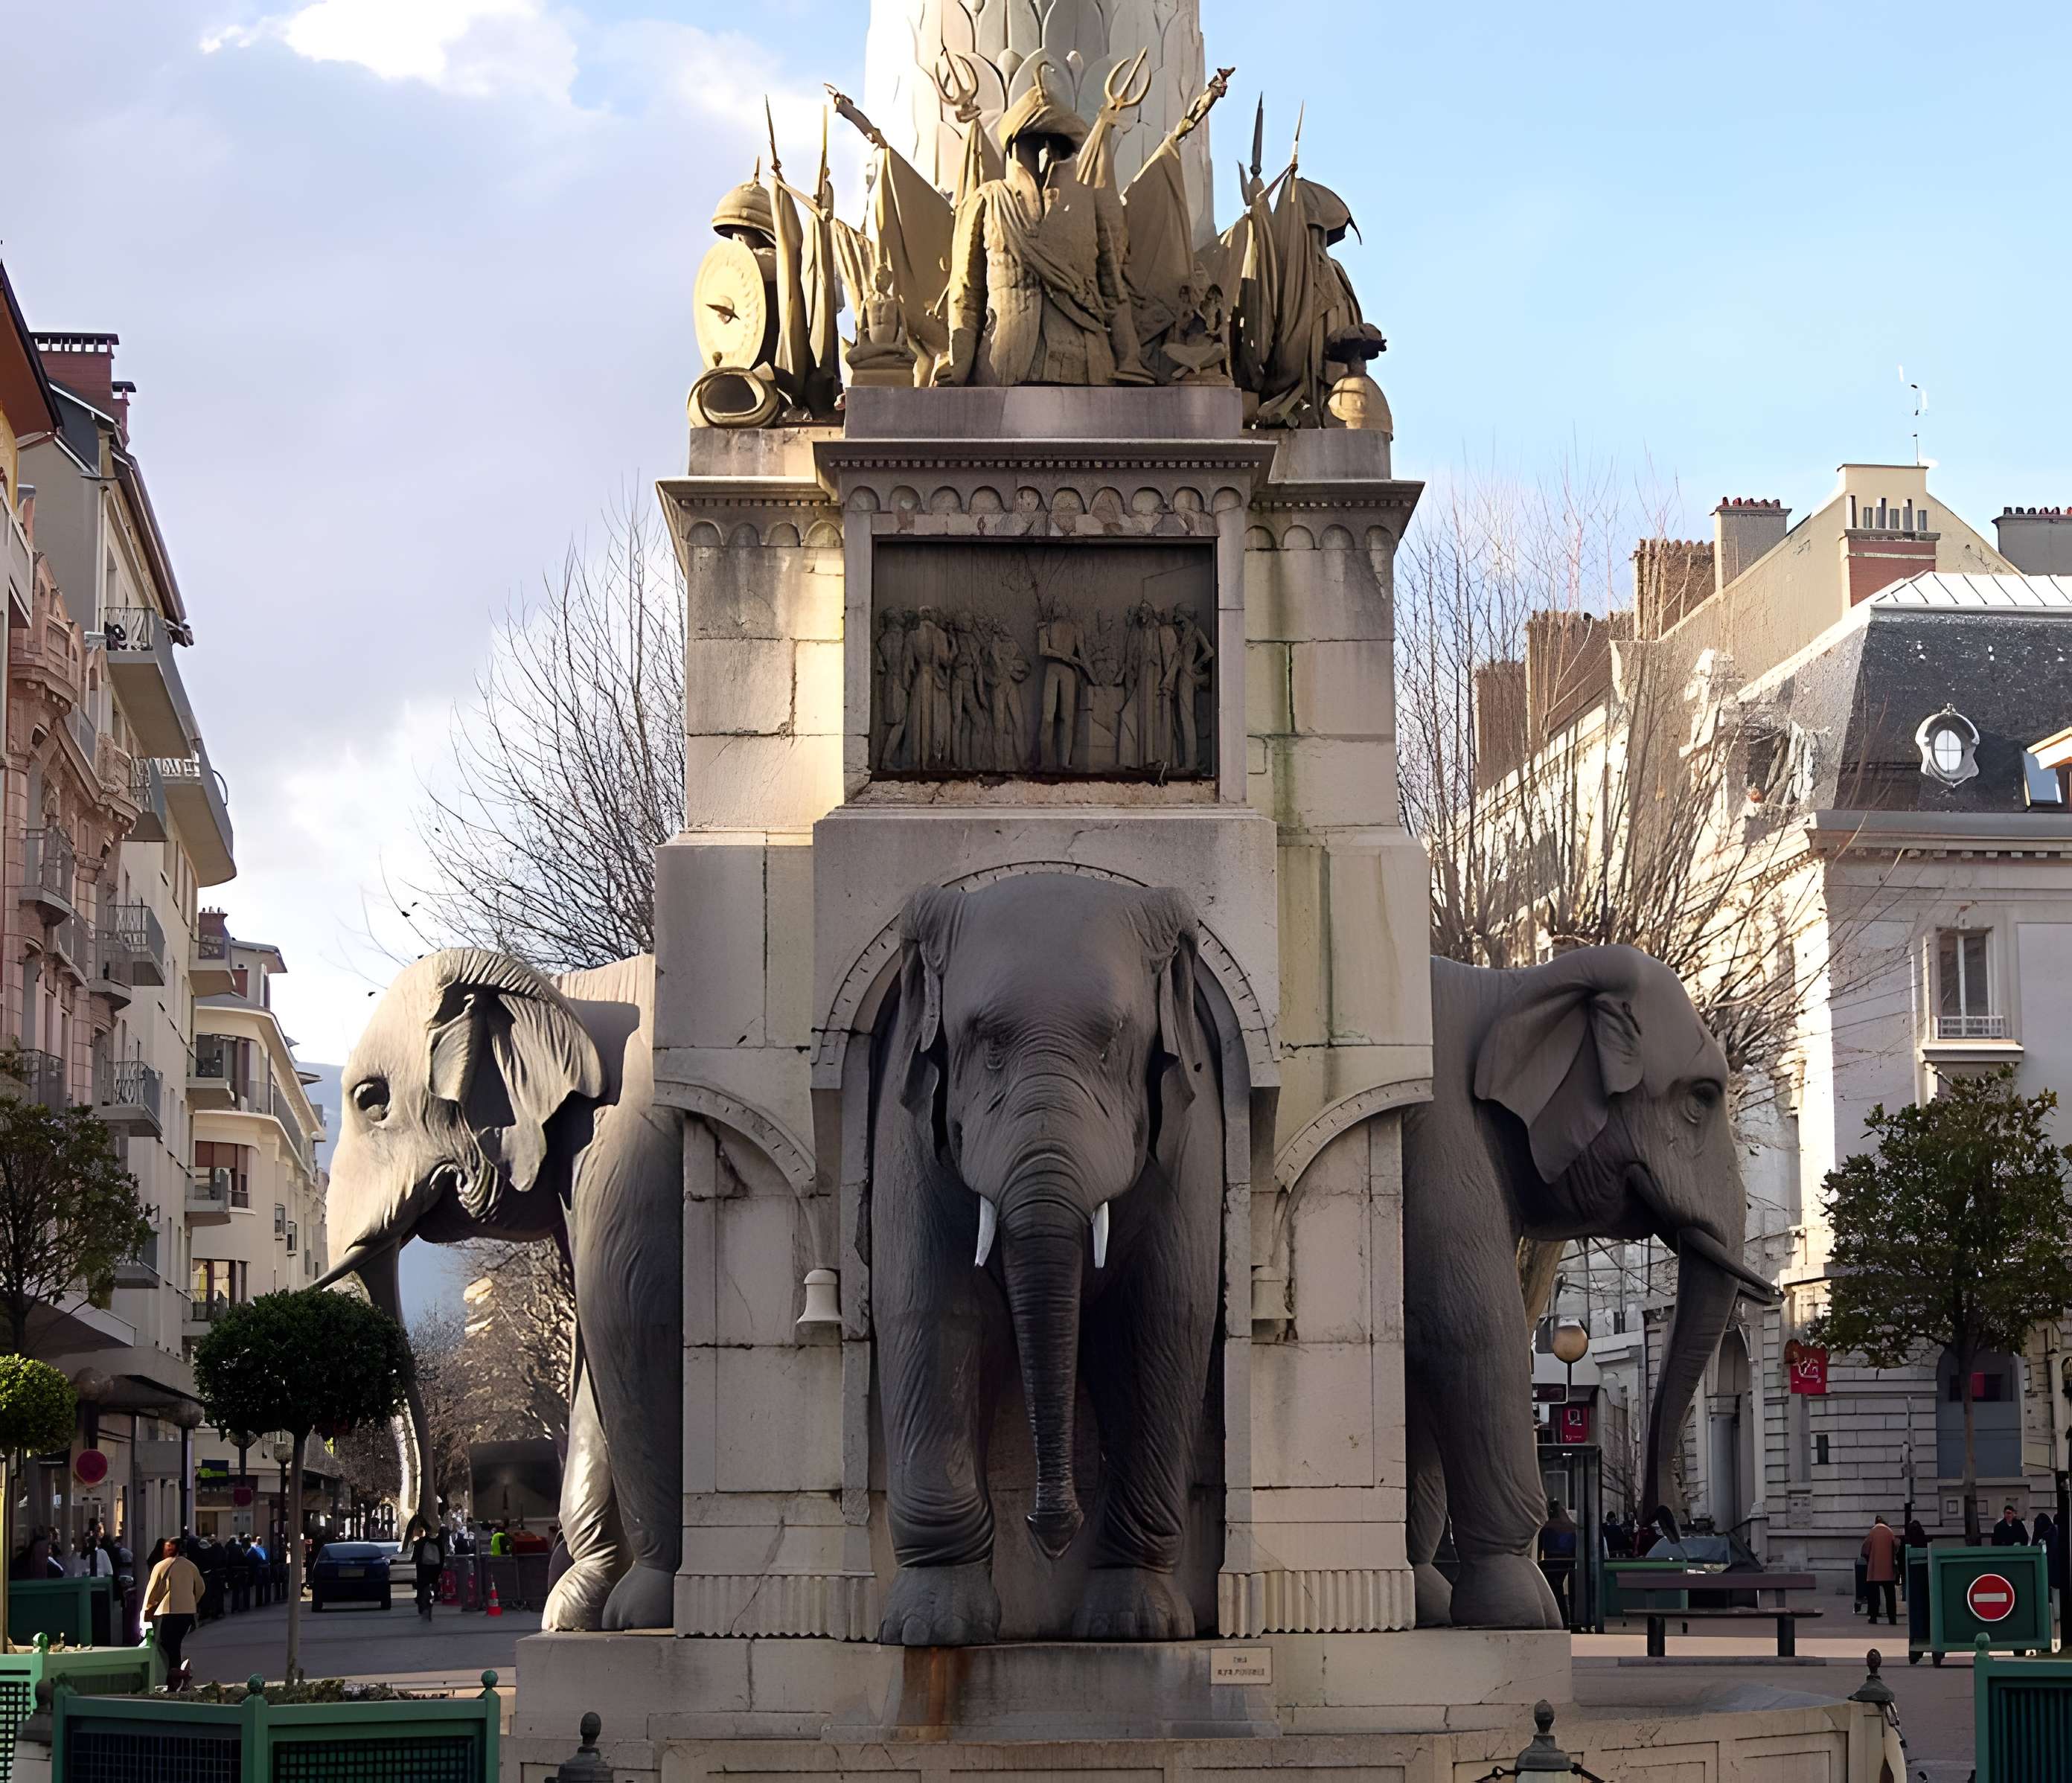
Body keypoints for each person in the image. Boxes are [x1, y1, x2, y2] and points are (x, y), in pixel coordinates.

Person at [143, 1538, 204, 1689]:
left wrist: (147, 1611)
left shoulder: (161, 1566)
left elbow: (152, 1591)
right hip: (187, 1612)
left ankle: (176, 1676)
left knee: (166, 1643)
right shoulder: (191, 1566)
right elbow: (201, 1587)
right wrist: (192, 1601)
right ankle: (179, 1674)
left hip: (168, 1612)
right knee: (175, 1644)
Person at [1536, 1499, 1578, 1627]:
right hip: (1565, 1564)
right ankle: (1564, 1618)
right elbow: (1574, 1549)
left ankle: (1556, 1618)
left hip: (1550, 1563)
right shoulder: (1570, 1527)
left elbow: (1540, 1550)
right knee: (1559, 1589)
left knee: (1552, 1590)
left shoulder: (1546, 1527)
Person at [1861, 1515, 1900, 1625]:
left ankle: (1873, 1617)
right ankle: (1892, 1618)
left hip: (1874, 1570)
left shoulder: (1872, 1532)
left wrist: (1868, 1558)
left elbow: (1865, 1549)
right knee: (1890, 1596)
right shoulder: (1890, 1532)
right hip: (1888, 1570)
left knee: (1873, 1596)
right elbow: (1896, 1545)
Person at [406, 1517, 447, 1620]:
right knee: (433, 1584)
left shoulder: (420, 1542)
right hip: (435, 1568)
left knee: (422, 1587)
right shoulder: (439, 1542)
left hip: (423, 1569)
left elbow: (415, 1557)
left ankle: (422, 1605)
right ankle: (434, 1596)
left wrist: (413, 1559)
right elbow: (442, 1556)